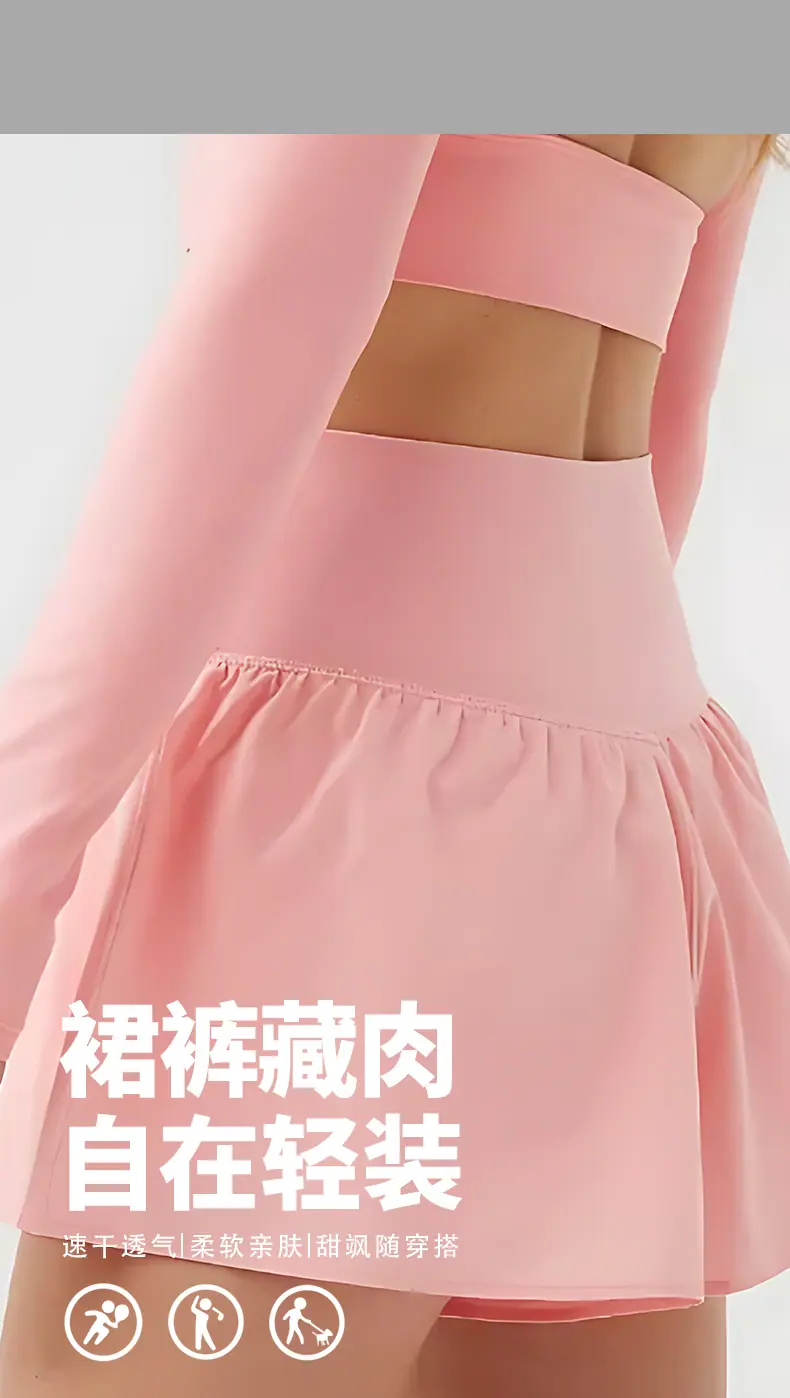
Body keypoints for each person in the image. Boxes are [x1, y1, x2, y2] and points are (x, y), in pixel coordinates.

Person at [0, 133, 787, 1398]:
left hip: (337, 817)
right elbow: (664, 427)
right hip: (629, 811)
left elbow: (256, 338)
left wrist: (12, 875)